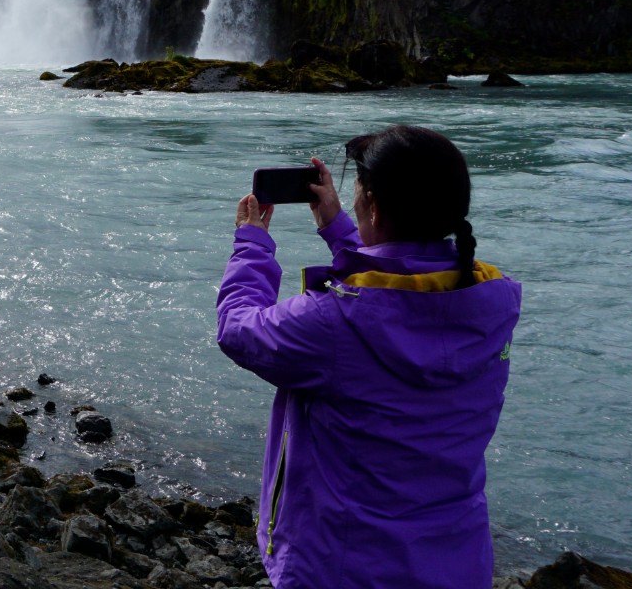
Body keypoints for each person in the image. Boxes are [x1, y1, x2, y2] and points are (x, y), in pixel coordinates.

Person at [216, 126, 521, 589]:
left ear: (374, 203)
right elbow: (401, 289)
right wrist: (340, 230)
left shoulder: (336, 320)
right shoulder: (489, 300)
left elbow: (239, 330)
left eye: (359, 192)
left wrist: (252, 244)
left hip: (344, 564)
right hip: (455, 560)